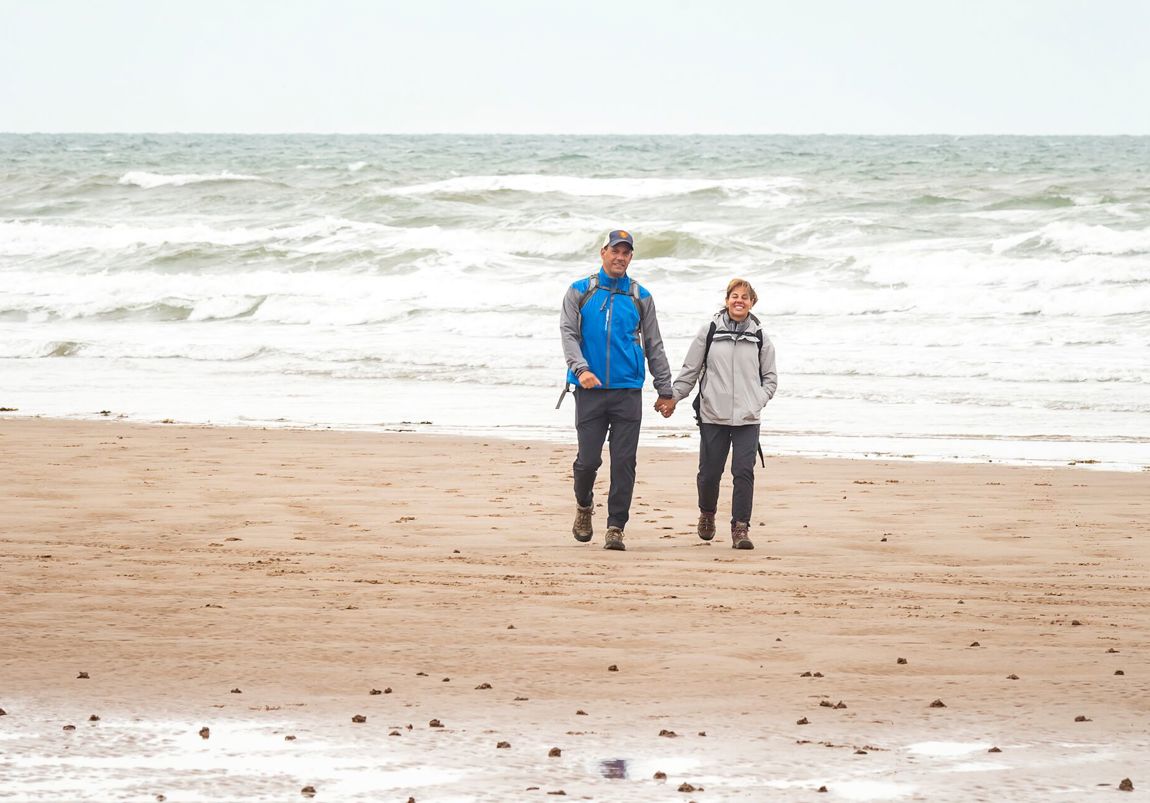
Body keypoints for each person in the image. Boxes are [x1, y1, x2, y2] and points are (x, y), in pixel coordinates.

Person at [559, 229, 673, 551]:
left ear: (631, 257)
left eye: (626, 253)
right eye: (615, 251)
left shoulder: (640, 296)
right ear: (603, 252)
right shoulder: (580, 291)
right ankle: (584, 506)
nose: (620, 257)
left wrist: (665, 389)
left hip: (627, 391)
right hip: (589, 389)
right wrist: (581, 370)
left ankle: (615, 527)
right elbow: (568, 334)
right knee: (587, 462)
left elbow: (654, 344)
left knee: (624, 462)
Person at [655, 278, 776, 550]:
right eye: (735, 296)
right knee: (709, 473)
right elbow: (690, 370)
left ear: (752, 303)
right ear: (727, 300)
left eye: (745, 297)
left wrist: (757, 401)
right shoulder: (709, 331)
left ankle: (740, 528)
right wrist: (673, 398)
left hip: (747, 418)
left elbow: (770, 378)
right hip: (713, 415)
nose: (739, 301)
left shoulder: (760, 337)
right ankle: (707, 513)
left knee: (743, 472)